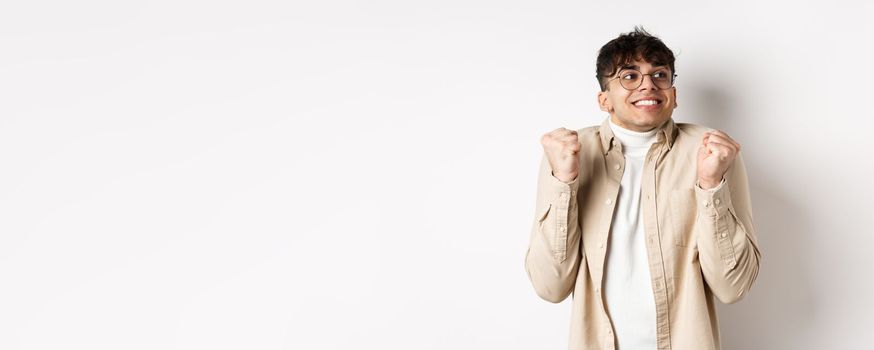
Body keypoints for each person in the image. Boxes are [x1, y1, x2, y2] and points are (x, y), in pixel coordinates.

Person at [523, 27, 762, 350]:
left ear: (674, 95)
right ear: (603, 99)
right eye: (629, 76)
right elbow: (550, 286)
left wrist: (710, 185)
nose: (648, 84)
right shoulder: (568, 153)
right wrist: (564, 182)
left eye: (659, 74)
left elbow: (733, 287)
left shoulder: (712, 152)